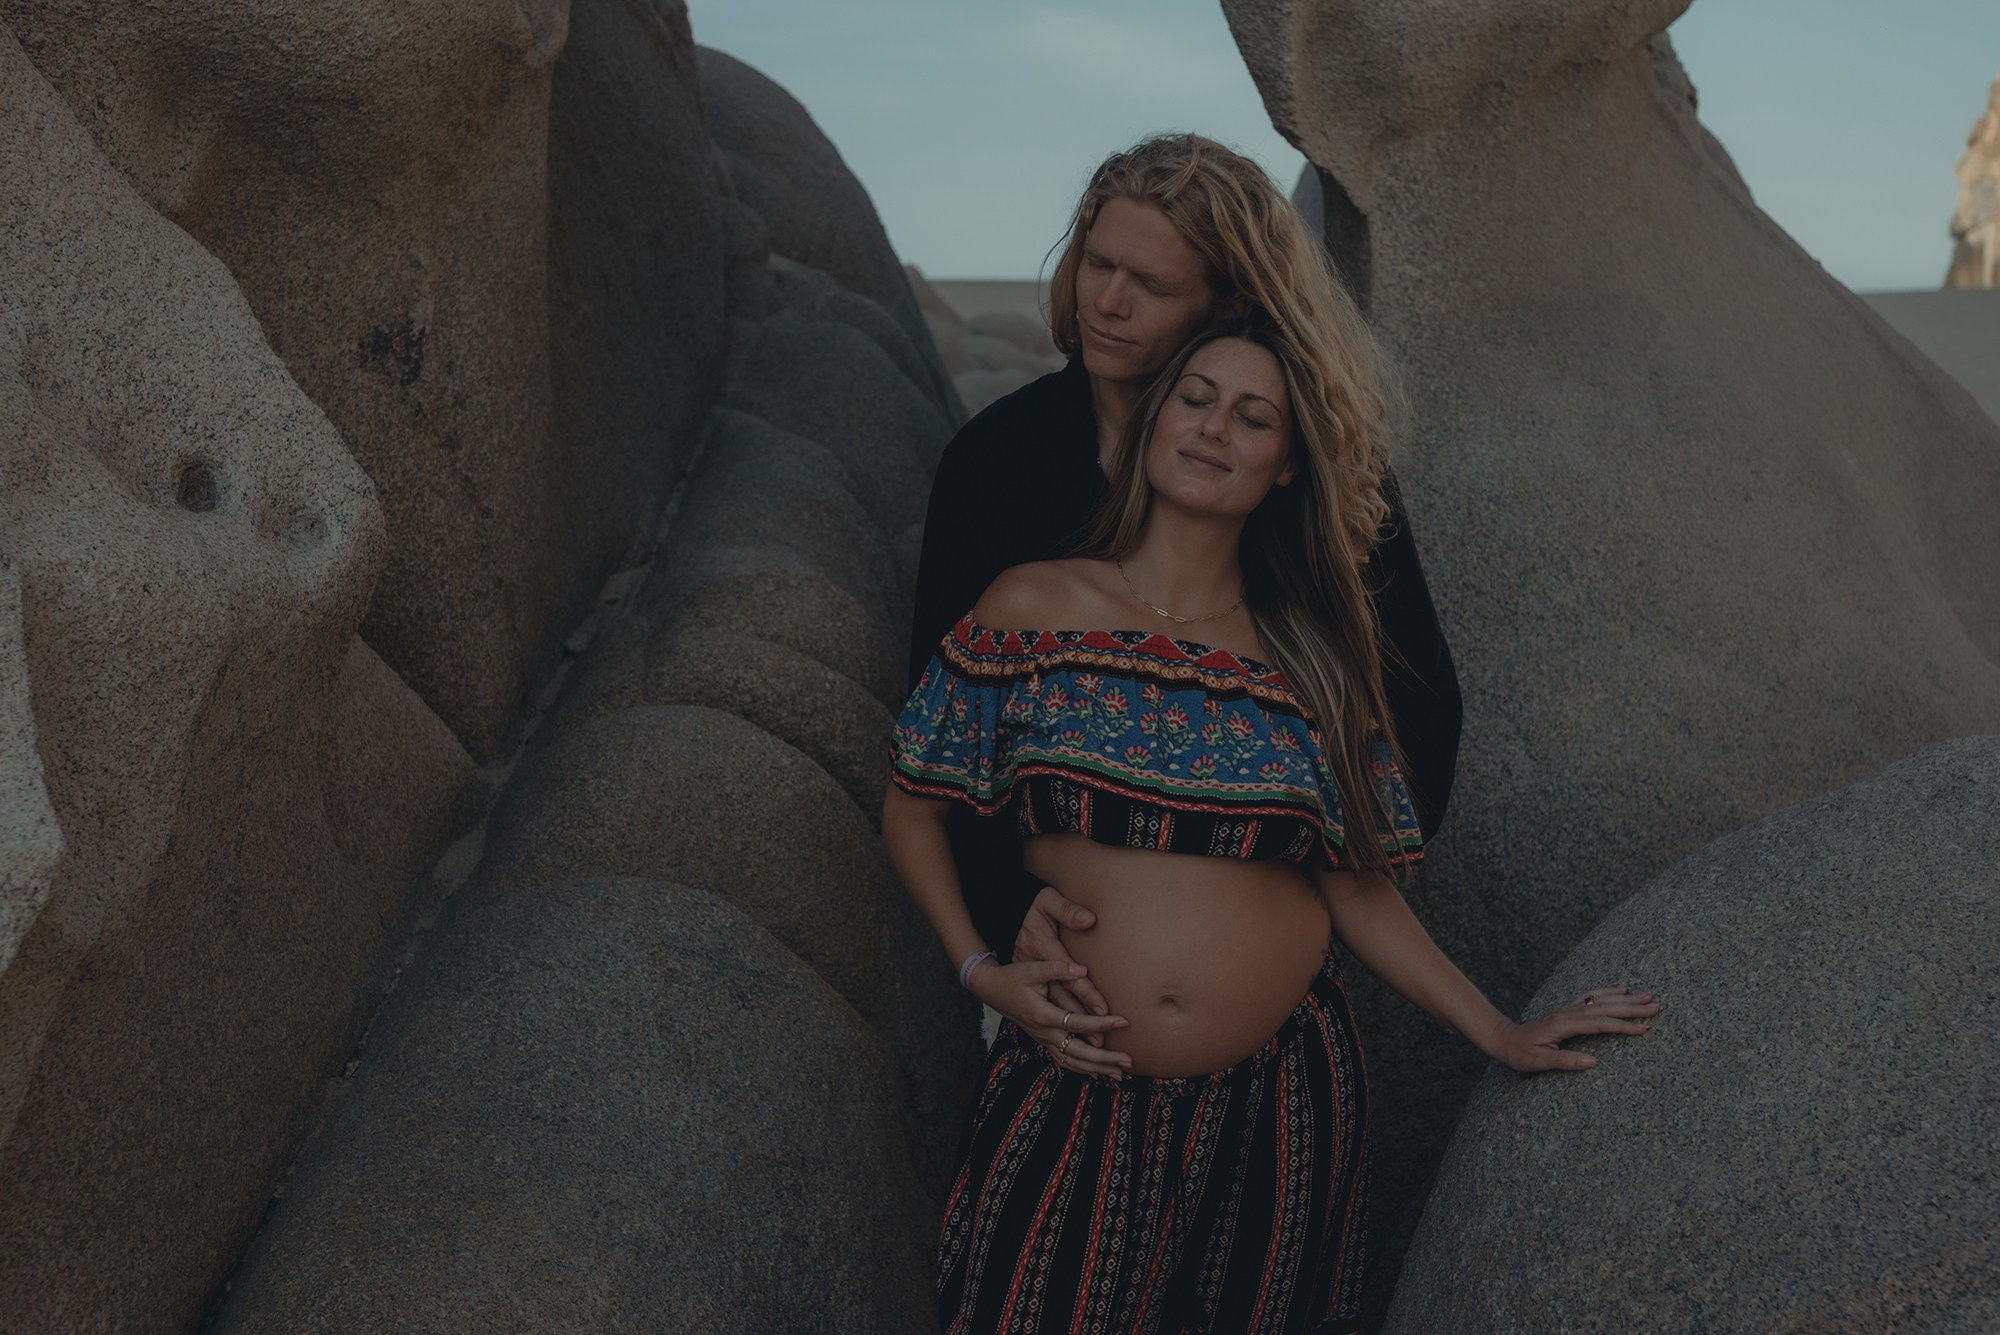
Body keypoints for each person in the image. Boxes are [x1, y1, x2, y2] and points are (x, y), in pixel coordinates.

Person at [885, 320, 1658, 1333]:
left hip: (1282, 1102)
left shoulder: (1317, 659)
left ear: (1287, 462)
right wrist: (978, 972)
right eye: (1195, 398)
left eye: (1253, 419)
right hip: (1075, 1069)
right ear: (1154, 417)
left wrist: (1499, 1034)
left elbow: (1353, 887)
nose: (1213, 429)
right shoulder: (1033, 605)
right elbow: (912, 808)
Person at [907, 134, 1462, 1032]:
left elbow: (1422, 708)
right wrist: (1004, 903)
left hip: (1281, 1027)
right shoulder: (997, 463)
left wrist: (1275, 881)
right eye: (1097, 263)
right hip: (1057, 996)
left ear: (1229, 299)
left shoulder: (1309, 468)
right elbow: (937, 737)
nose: (1107, 303)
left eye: (1152, 285)